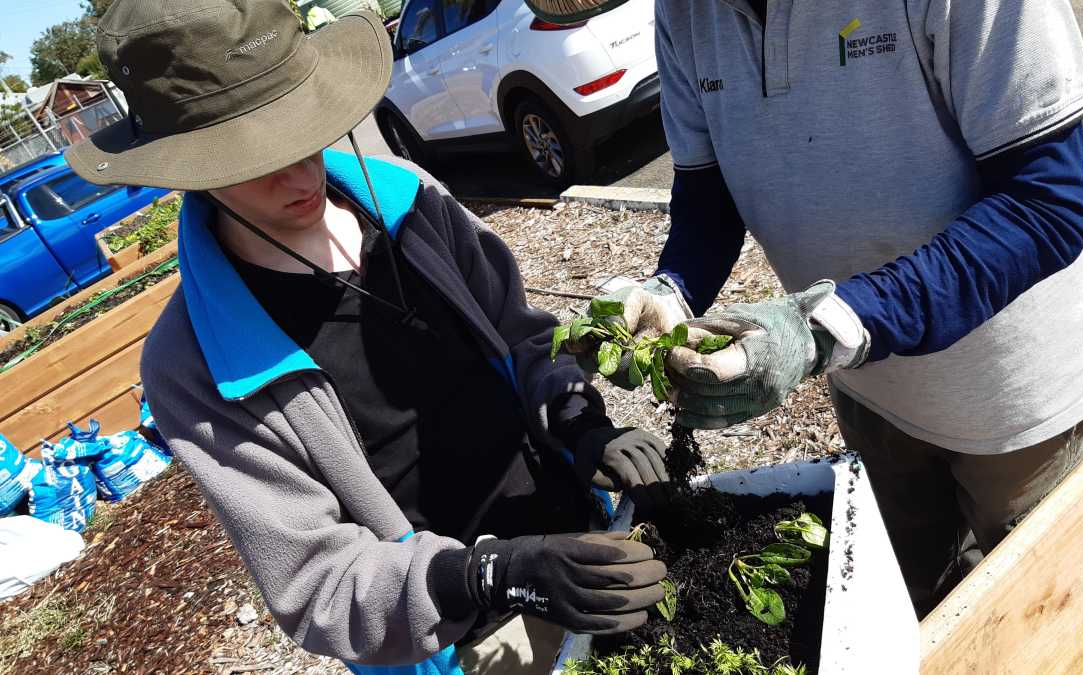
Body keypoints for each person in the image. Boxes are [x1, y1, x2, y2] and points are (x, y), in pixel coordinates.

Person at [65, 1, 670, 673]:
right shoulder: (193, 362)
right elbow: (314, 578)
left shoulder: (408, 199)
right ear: (184, 166)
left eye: (304, 128)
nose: (298, 173)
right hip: (458, 638)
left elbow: (523, 336)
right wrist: (490, 574)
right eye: (252, 156)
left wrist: (577, 419)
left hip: (572, 532)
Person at [539, 0, 1083, 616]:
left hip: (1016, 401)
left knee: (1035, 617)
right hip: (866, 382)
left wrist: (825, 328)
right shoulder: (687, 13)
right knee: (913, 601)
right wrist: (670, 290)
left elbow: (1042, 205)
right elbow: (708, 196)